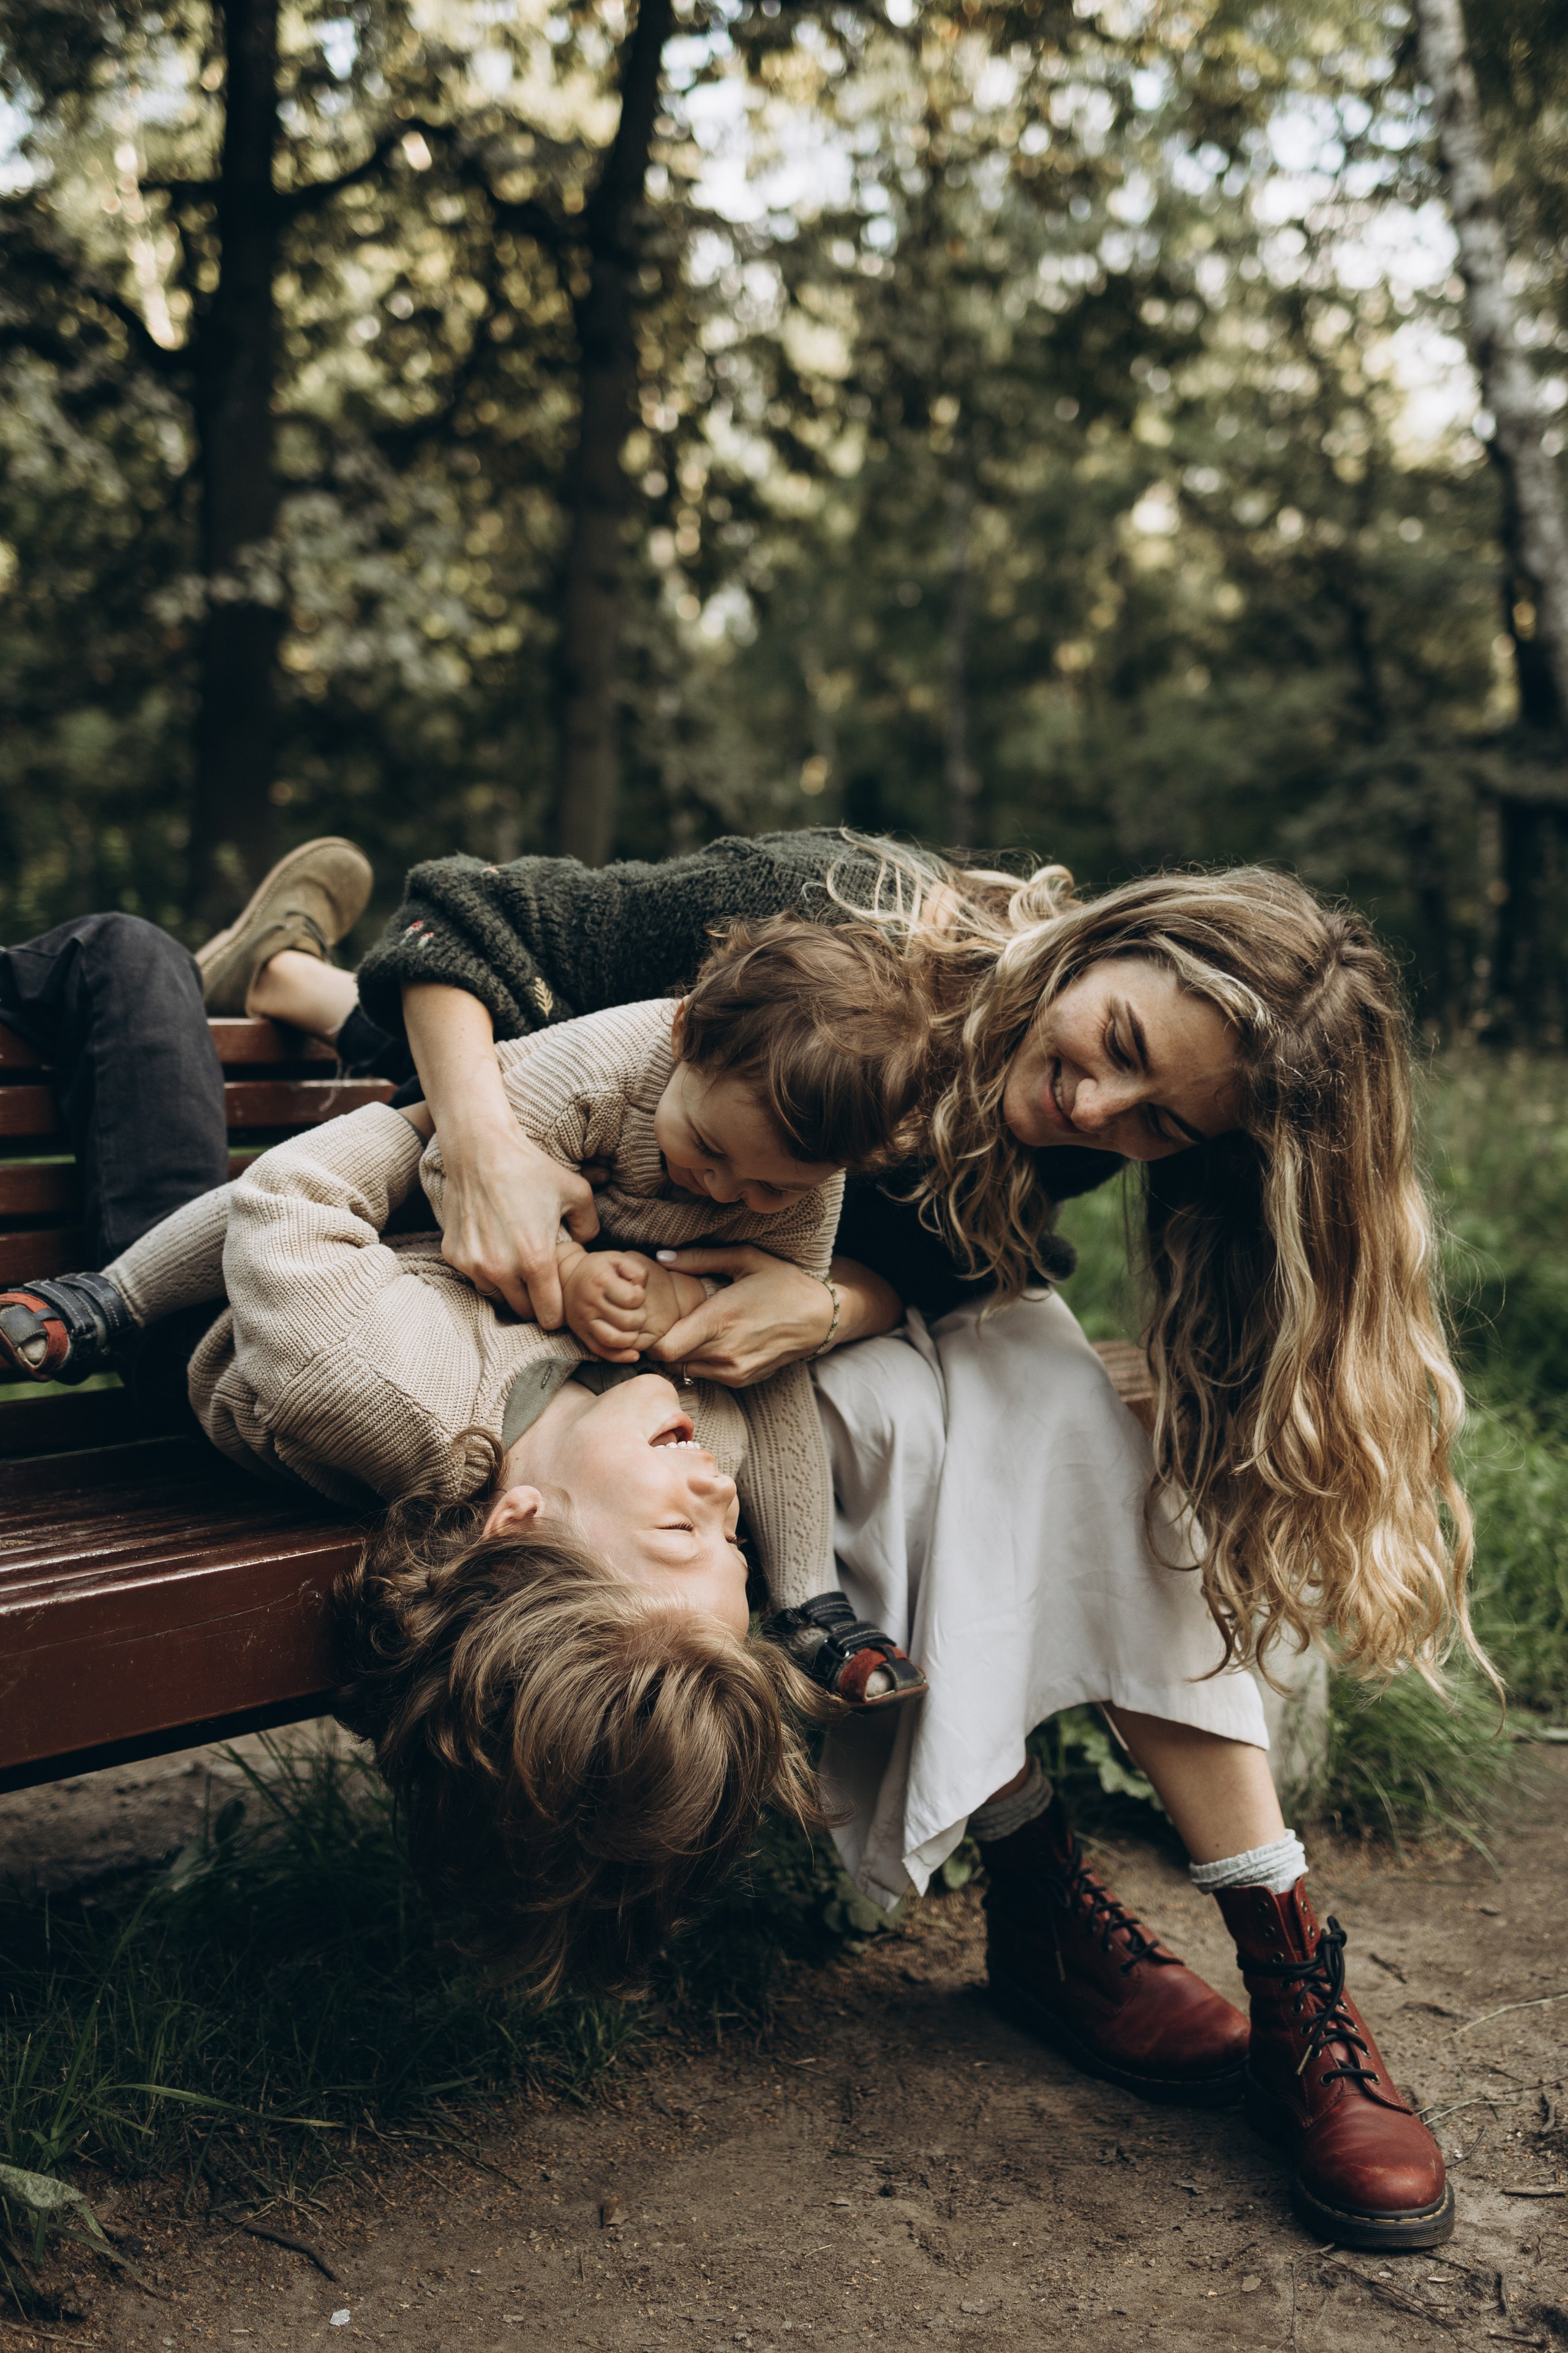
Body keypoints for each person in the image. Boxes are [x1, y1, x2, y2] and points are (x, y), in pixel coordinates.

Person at [0, 834, 1472, 2249]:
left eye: (1161, 1125)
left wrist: (822, 1305)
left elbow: (974, 1257)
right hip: (512, 1169)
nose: (1101, 1115)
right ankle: (1056, 1899)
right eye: (1121, 1047)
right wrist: (481, 1135)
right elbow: (463, 926)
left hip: (538, 1300)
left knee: (1028, 1379)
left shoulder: (1057, 1120)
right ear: (1111, 939)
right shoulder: (827, 910)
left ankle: (1255, 1954)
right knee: (998, 1401)